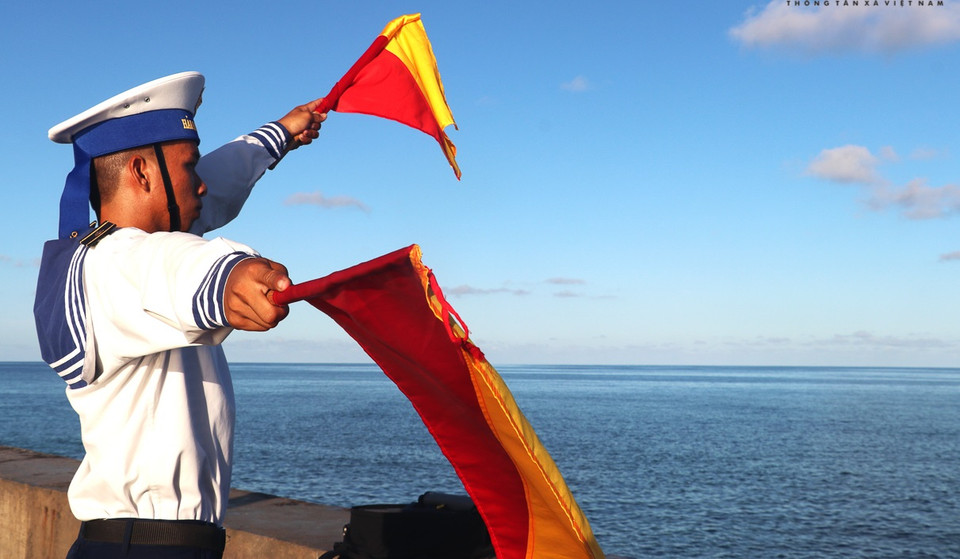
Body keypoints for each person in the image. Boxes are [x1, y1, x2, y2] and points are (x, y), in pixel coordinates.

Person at [33, 71, 326, 558]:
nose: (203, 182)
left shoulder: (110, 251)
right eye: (190, 166)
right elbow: (175, 270)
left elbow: (218, 184)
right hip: (144, 548)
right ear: (142, 173)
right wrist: (234, 277)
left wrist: (279, 135)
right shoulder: (113, 264)